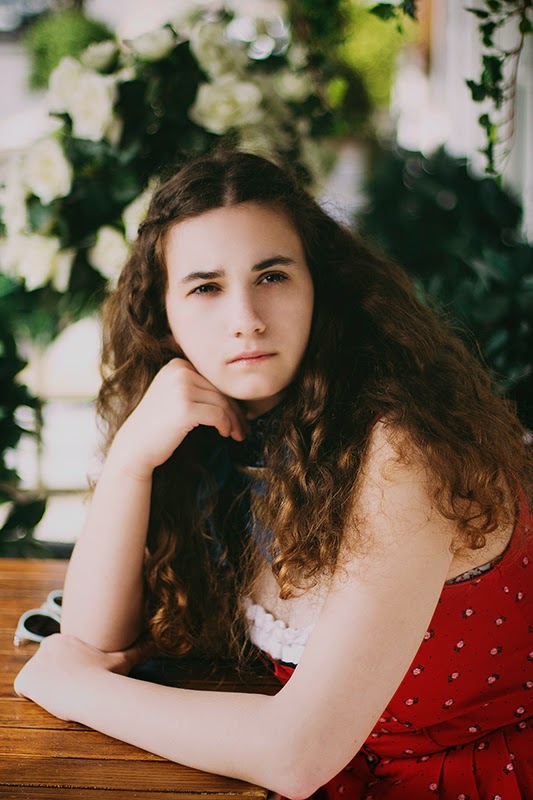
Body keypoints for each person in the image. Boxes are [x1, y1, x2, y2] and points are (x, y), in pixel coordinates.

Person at [14, 149, 532, 799]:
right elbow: (92, 640)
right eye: (205, 287)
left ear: (320, 285)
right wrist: (129, 462)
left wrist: (75, 689)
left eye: (272, 276)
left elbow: (296, 755)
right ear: (162, 313)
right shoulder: (220, 437)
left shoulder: (401, 450)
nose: (246, 320)